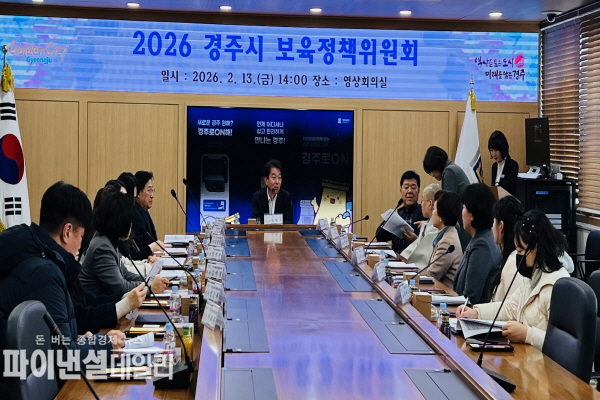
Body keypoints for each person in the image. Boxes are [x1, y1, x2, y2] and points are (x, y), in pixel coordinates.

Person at [0, 182, 125, 388]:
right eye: (81, 236)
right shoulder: (44, 273)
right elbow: (64, 359)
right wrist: (103, 344)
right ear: (67, 231)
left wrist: (83, 341)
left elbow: (51, 340)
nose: (80, 245)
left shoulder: (34, 257)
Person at [457, 209, 570, 351]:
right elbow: (510, 307)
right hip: (529, 357)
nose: (518, 257)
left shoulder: (557, 286)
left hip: (546, 363)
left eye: (521, 251)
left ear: (537, 248)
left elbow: (564, 345)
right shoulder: (533, 276)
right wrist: (476, 313)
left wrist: (527, 334)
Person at [80, 188, 169, 296]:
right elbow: (120, 288)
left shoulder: (108, 240)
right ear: (120, 222)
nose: (131, 226)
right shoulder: (102, 247)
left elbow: (125, 274)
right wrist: (150, 287)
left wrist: (150, 281)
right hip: (99, 304)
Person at [453, 183, 501, 304]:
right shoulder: (480, 238)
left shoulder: (482, 246)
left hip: (473, 313)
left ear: (472, 215)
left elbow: (471, 297)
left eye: (464, 207)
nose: (461, 213)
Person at [375, 170, 427, 253]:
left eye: (413, 188)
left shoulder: (424, 214)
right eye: (406, 187)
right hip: (396, 258)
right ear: (401, 191)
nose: (409, 191)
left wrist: (416, 241)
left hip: (414, 259)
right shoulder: (398, 213)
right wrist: (390, 219)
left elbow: (429, 247)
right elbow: (379, 237)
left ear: (418, 191)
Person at [425, 191, 463, 287]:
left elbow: (431, 275)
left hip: (444, 292)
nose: (432, 213)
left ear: (441, 215)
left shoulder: (447, 242)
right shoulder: (448, 233)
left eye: (434, 209)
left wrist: (409, 276)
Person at [490, 196, 523, 301]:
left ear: (501, 226)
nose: (492, 227)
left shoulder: (513, 262)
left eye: (493, 222)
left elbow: (511, 307)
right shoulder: (510, 257)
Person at [400, 183, 441, 267]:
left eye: (422, 200)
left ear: (430, 204)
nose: (421, 203)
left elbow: (421, 259)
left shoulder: (436, 229)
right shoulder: (426, 225)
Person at [252, 159, 294, 224]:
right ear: (266, 180)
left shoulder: (286, 197)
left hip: (281, 231)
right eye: (274, 177)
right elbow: (256, 221)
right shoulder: (257, 197)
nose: (277, 182)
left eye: (279, 177)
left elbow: (289, 221)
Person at [133, 170, 159, 249]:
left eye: (152, 190)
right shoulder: (135, 214)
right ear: (138, 192)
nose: (152, 195)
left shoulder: (143, 210)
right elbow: (139, 247)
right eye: (149, 190)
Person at [489, 130, 519, 195]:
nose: (493, 154)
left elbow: (509, 187)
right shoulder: (494, 166)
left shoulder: (512, 165)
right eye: (491, 150)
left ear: (502, 148)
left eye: (496, 150)